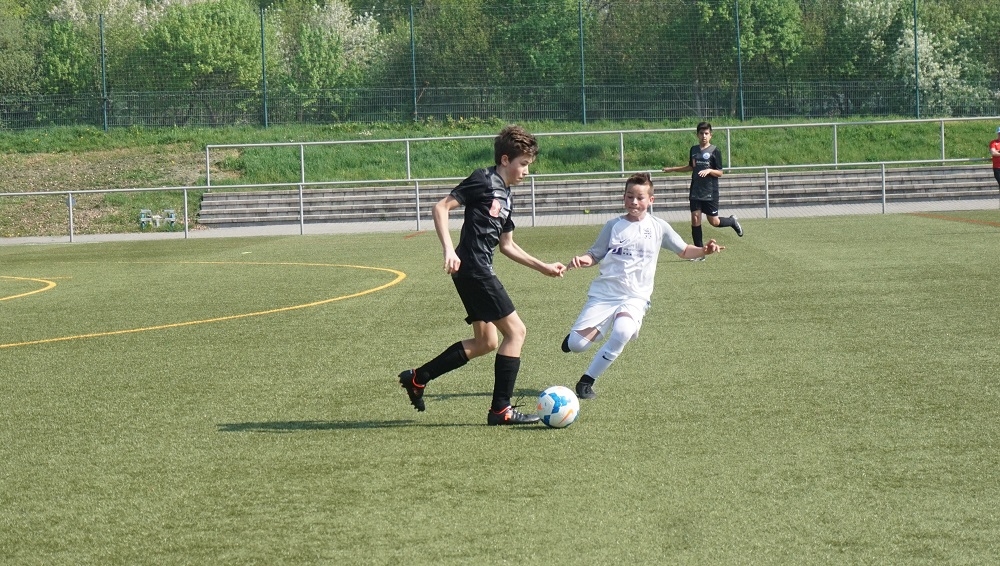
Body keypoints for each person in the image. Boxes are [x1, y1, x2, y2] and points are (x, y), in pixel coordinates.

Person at [398, 125, 566, 425]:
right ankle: (501, 410)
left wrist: (543, 267)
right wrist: (448, 250)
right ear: (505, 159)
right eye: (523, 164)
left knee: (486, 342)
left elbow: (507, 245)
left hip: (475, 270)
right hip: (473, 269)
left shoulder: (507, 196)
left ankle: (418, 378)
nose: (526, 171)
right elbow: (441, 208)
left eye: (528, 165)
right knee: (516, 332)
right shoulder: (483, 179)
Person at [561, 172, 724, 399]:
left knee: (623, 331)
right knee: (577, 345)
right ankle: (575, 339)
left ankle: (587, 381)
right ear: (624, 198)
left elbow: (685, 250)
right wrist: (582, 260)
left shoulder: (659, 227)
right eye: (629, 197)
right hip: (605, 294)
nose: (634, 202)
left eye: (640, 198)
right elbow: (595, 254)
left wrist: (704, 250)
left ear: (650, 200)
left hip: (636, 297)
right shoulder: (613, 226)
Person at [662, 121, 742, 260]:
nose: (704, 136)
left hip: (710, 191)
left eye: (706, 133)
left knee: (714, 222)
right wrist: (672, 169)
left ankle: (732, 221)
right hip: (695, 190)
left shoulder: (715, 151)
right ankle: (700, 253)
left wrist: (709, 170)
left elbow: (720, 172)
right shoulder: (694, 150)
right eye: (701, 133)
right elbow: (691, 167)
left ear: (711, 135)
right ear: (697, 135)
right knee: (695, 218)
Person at [989, 126, 1000, 191]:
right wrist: (997, 152)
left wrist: (998, 152)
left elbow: (996, 152)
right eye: (999, 133)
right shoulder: (993, 142)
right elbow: (993, 153)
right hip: (997, 167)